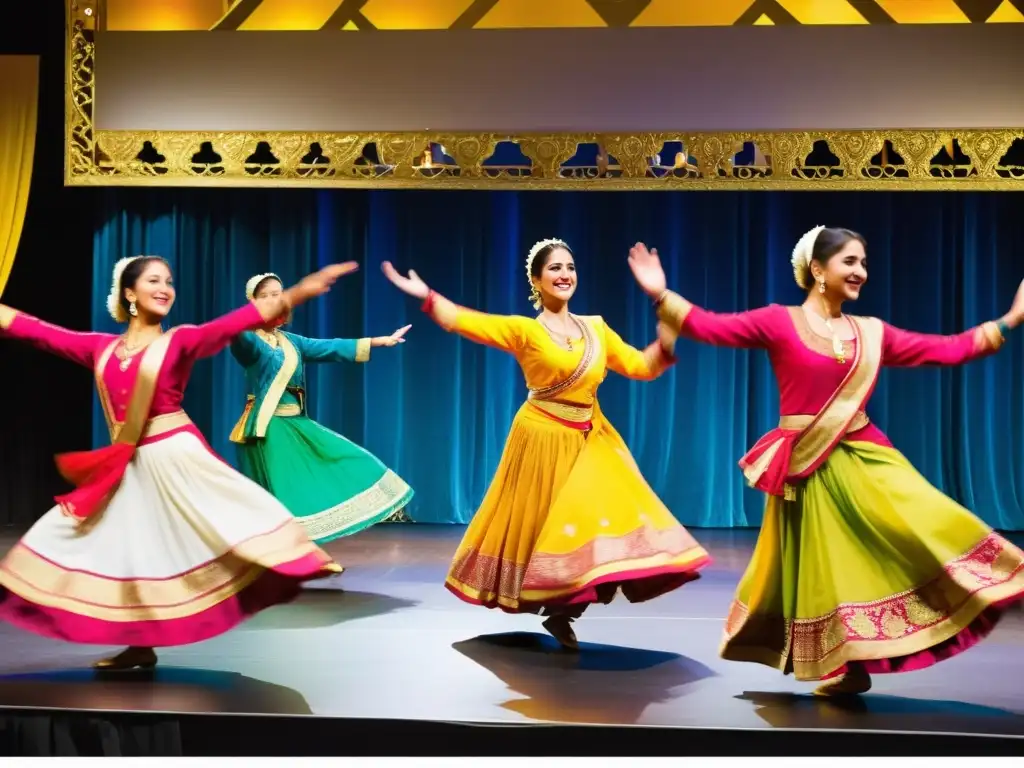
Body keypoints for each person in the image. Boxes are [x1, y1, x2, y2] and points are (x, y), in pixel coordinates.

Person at [627, 227, 1024, 695]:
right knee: (829, 570)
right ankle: (848, 668)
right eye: (850, 262)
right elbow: (712, 326)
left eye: (863, 262)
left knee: (925, 527)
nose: (861, 272)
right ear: (818, 269)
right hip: (806, 470)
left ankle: (999, 578)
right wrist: (660, 294)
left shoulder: (872, 333)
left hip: (864, 459)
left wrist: (1011, 320)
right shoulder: (779, 322)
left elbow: (946, 350)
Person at [0, 255, 357, 671]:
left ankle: (293, 555)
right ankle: (140, 645)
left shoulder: (180, 340)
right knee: (130, 553)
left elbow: (228, 325)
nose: (165, 287)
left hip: (173, 455)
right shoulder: (101, 350)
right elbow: (40, 333)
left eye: (169, 281)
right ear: (129, 293)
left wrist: (296, 293)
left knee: (225, 517)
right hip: (129, 467)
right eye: (153, 280)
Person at [381, 238, 711, 650]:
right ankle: (551, 607)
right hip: (539, 438)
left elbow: (642, 367)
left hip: (589, 441)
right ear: (537, 280)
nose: (564, 275)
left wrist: (667, 328)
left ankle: (563, 612)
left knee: (590, 529)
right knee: (541, 531)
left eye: (570, 267)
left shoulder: (596, 328)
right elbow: (468, 321)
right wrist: (427, 297)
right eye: (554, 268)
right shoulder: (526, 330)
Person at [229, 272, 415, 543]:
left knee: (346, 458)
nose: (272, 300)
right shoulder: (250, 340)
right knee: (282, 494)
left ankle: (296, 552)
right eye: (264, 296)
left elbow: (331, 347)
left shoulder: (292, 342)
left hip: (296, 424)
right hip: (269, 428)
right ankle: (290, 553)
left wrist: (380, 341)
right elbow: (238, 338)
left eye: (277, 294)